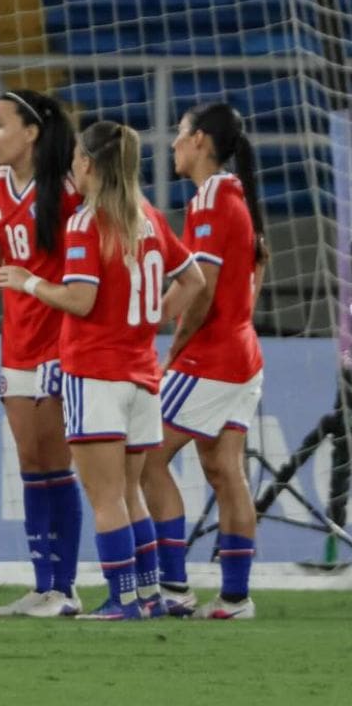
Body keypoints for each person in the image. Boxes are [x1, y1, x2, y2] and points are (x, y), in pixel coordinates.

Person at [0, 120, 204, 620]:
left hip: (95, 373)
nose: (71, 167)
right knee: (130, 490)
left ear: (88, 164)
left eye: (75, 160)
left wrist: (28, 283)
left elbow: (80, 299)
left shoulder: (88, 222)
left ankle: (122, 599)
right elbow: (194, 279)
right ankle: (149, 594)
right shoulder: (149, 217)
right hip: (141, 375)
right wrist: (150, 317)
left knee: (104, 494)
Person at [0, 89, 84, 617]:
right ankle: (43, 584)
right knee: (31, 465)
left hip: (61, 345)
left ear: (31, 132)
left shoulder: (70, 192)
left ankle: (66, 587)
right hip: (16, 347)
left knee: (57, 464)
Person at [140, 103, 268, 619]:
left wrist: (171, 342)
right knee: (224, 469)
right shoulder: (236, 197)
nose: (173, 143)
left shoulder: (212, 199)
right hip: (243, 353)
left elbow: (202, 288)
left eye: (180, 133)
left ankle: (173, 588)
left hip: (211, 356)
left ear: (200, 142)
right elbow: (248, 280)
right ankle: (235, 597)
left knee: (146, 456)